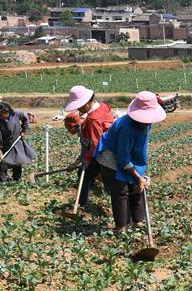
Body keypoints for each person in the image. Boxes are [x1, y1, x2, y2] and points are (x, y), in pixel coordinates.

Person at [93, 91, 166, 233]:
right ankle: (121, 226)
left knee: (137, 187)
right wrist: (138, 176)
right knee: (121, 189)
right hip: (110, 154)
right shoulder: (126, 128)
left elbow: (138, 150)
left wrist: (139, 177)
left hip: (127, 154)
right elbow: (123, 159)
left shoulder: (146, 123)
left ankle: (138, 221)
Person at [64, 86, 115, 210]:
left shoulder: (93, 120)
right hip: (113, 147)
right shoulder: (103, 106)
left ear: (87, 102)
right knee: (88, 175)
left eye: (80, 105)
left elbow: (96, 145)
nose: (78, 108)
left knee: (108, 182)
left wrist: (86, 159)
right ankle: (82, 205)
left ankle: (122, 203)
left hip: (105, 153)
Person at [0, 102, 37, 183]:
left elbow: (25, 120)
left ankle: (17, 180)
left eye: (2, 115)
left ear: (7, 112)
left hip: (16, 142)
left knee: (17, 162)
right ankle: (3, 181)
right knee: (2, 164)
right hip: (3, 145)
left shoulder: (17, 114)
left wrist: (24, 130)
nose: (0, 117)